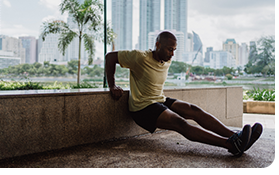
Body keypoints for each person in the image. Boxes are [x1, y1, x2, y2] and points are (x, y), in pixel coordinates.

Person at [105, 30, 263, 157]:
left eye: (174, 50)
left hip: (159, 100)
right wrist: (112, 85)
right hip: (142, 107)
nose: (172, 54)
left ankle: (236, 136)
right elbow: (110, 57)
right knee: (180, 122)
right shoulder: (139, 57)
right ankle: (229, 144)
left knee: (194, 110)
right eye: (169, 49)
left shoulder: (167, 59)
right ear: (157, 44)